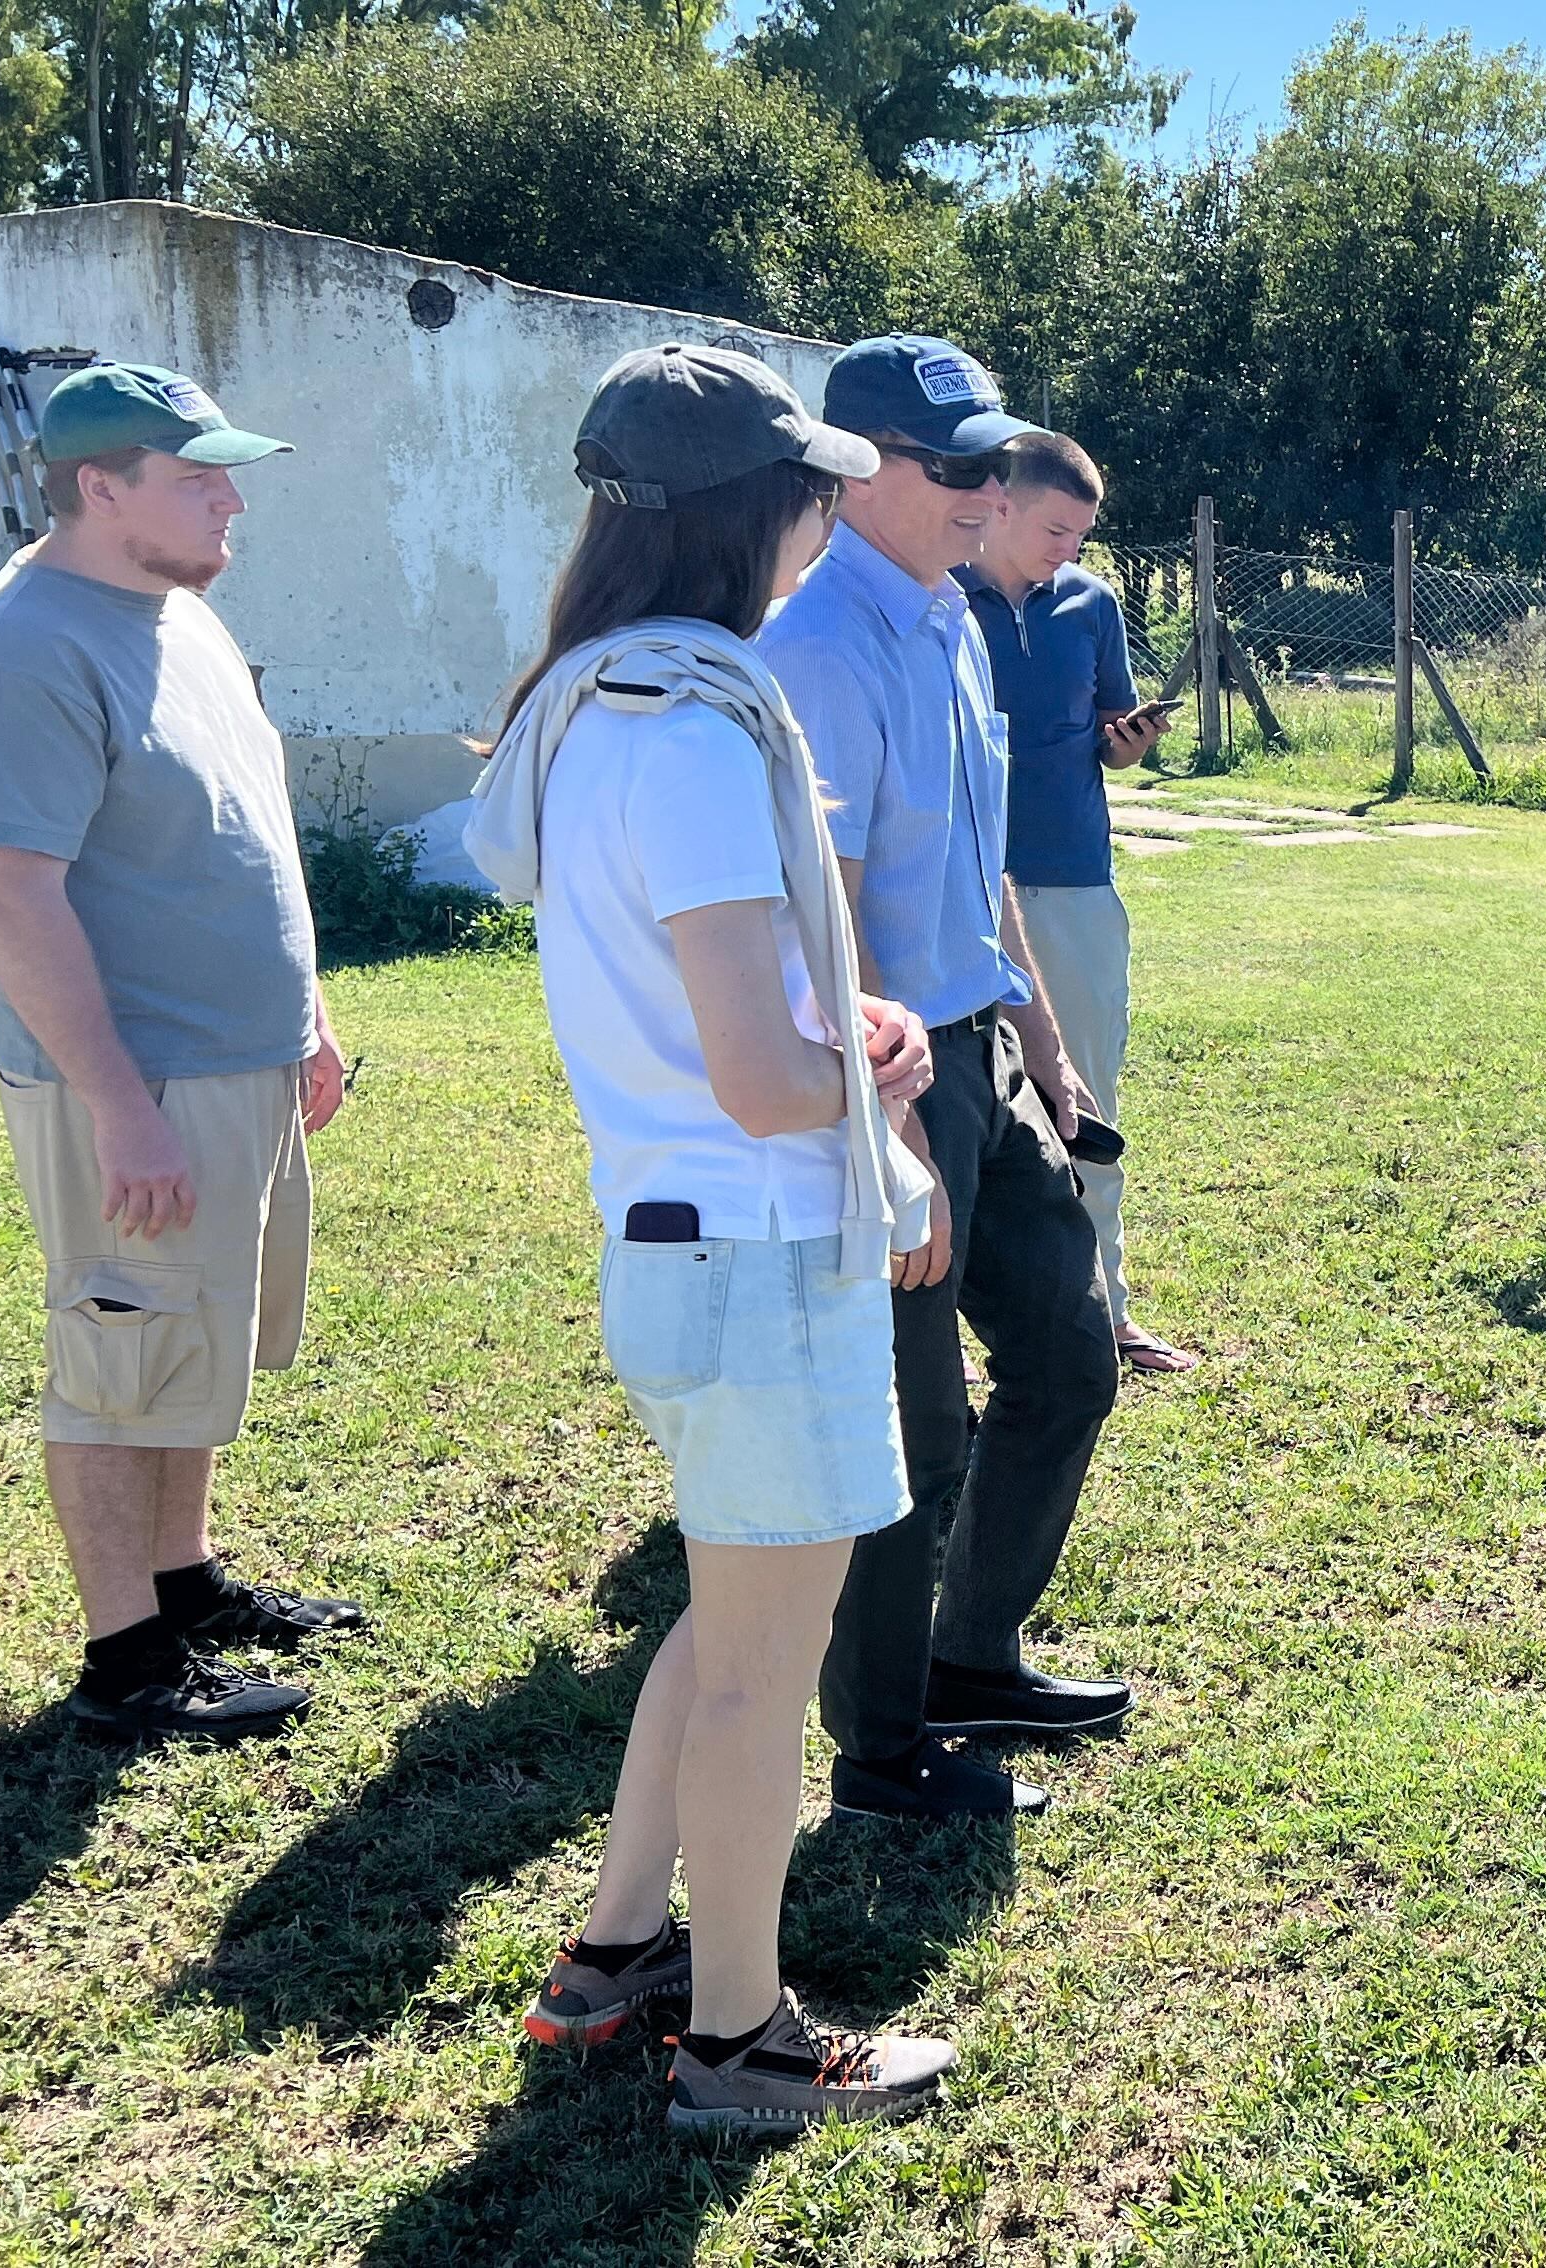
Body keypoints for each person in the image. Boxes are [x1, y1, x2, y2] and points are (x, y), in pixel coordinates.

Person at [469, 341, 956, 2130]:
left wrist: (851, 1033)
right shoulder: (690, 726)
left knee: (723, 1614)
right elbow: (761, 1075)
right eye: (813, 485)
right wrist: (873, 1090)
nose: (830, 510)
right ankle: (743, 2040)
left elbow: (732, 1021)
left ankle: (611, 1962)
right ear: (756, 512)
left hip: (682, 1244)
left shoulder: (602, 701)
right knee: (765, 1660)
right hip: (753, 1247)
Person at [0, 363, 364, 1744]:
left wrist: (307, 1020)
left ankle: (185, 1579)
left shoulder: (179, 617)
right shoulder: (20, 649)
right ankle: (127, 1663)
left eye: (229, 471)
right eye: (198, 476)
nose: (232, 499)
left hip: (233, 1061)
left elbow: (241, 831)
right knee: (120, 1349)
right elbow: (11, 892)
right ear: (98, 488)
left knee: (190, 1338)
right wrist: (123, 1108)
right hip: (136, 1078)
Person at [765, 335, 1128, 1819]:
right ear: (857, 471)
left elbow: (978, 878)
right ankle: (882, 1746)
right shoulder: (815, 648)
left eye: (995, 462)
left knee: (1072, 1357)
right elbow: (826, 906)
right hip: (890, 1080)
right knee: (913, 1428)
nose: (988, 489)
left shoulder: (955, 625)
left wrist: (1040, 1040)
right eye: (957, 466)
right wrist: (896, 1128)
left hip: (976, 1049)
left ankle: (974, 1658)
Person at [961, 430, 1189, 1377]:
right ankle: (954, 1337)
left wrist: (1127, 743)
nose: (1070, 551)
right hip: (957, 886)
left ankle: (1108, 1310)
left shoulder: (1091, 604)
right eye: (1057, 529)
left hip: (1072, 877)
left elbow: (1107, 736)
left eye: (1082, 535)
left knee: (1086, 1094)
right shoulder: (937, 601)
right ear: (1001, 503)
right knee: (954, 1107)